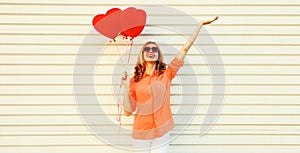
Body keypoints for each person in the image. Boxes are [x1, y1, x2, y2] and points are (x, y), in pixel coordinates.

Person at [121, 16, 219, 153]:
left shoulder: (166, 75)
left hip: (162, 131)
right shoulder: (134, 81)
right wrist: (125, 86)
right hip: (141, 133)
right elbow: (127, 112)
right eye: (147, 49)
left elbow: (184, 50)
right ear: (142, 55)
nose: (151, 51)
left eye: (154, 49)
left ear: (158, 55)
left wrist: (199, 26)